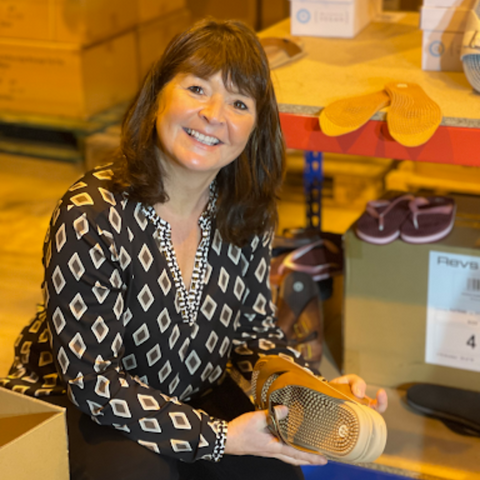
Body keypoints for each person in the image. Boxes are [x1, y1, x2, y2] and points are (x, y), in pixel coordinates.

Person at [0, 19, 387, 480]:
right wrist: (221, 437)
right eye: (198, 89)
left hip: (193, 387)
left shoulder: (247, 213)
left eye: (239, 102)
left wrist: (315, 388)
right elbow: (92, 381)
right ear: (158, 96)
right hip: (92, 403)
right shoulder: (91, 213)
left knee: (275, 475)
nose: (214, 114)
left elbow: (251, 332)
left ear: (253, 130)